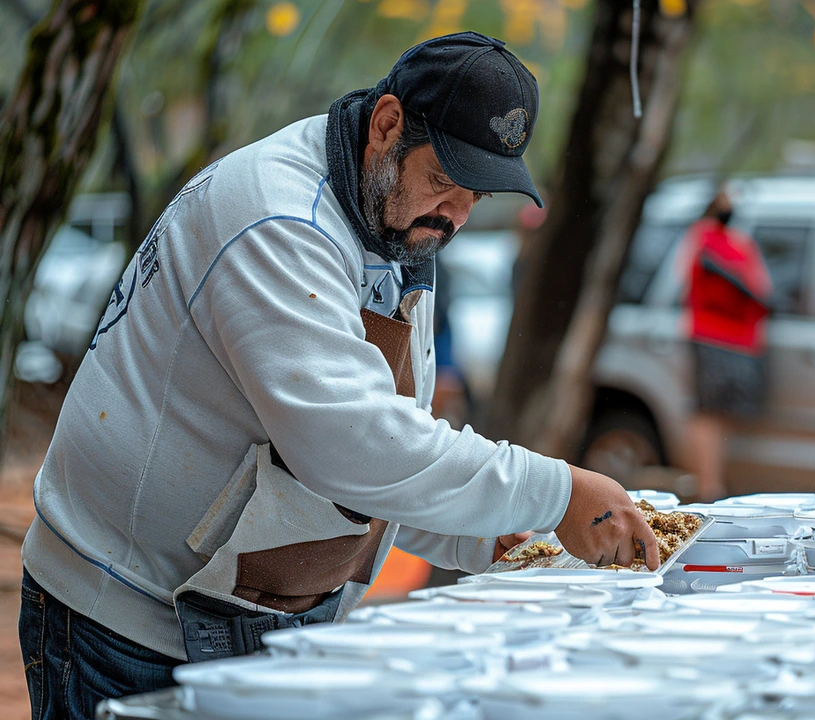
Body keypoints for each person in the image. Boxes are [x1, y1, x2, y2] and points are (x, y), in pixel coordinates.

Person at [18, 32, 658, 719]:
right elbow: (351, 446)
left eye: (477, 196)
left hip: (240, 622)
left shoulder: (400, 215)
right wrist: (554, 492)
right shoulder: (278, 219)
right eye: (444, 181)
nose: (456, 217)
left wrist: (479, 532)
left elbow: (383, 444)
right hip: (121, 624)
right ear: (386, 126)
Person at [681, 186, 772, 501]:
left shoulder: (737, 242)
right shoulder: (705, 237)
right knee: (708, 413)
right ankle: (708, 488)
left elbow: (762, 289)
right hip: (713, 337)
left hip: (738, 342)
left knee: (721, 415)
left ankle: (713, 484)